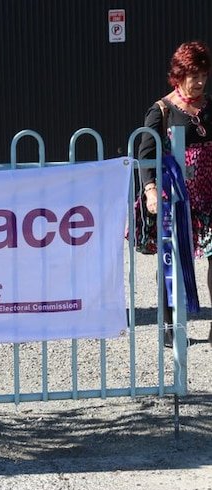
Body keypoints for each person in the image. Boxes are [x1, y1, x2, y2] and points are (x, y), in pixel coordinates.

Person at [138, 40, 212, 346]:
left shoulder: (209, 107)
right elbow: (145, 154)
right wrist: (150, 191)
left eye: (204, 75)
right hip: (175, 197)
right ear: (179, 74)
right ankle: (169, 325)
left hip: (209, 197)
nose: (200, 81)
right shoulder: (162, 110)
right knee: (171, 260)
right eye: (194, 74)